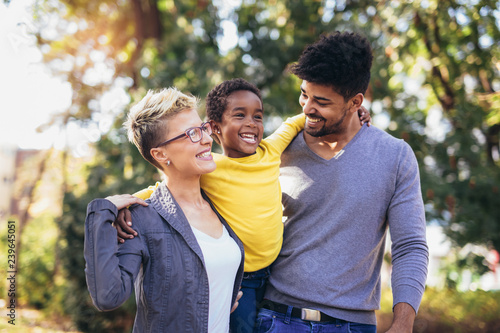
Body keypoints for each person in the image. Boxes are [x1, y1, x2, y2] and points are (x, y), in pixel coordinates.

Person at [114, 78, 372, 332]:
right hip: (241, 279)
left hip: (277, 273)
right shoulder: (209, 169)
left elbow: (297, 121)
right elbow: (163, 189)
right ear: (214, 129)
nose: (251, 123)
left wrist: (350, 111)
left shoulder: (271, 151)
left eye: (257, 116)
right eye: (240, 115)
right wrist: (123, 204)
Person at [254, 31, 429, 333]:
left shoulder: (394, 156)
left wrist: (403, 323)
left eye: (321, 101)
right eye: (304, 94)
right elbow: (225, 183)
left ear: (355, 102)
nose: (307, 107)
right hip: (275, 319)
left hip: (352, 325)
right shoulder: (279, 147)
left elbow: (410, 246)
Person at [83, 87, 245, 333]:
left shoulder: (219, 203)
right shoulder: (141, 221)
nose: (206, 138)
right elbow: (108, 296)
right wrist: (101, 214)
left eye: (203, 127)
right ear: (160, 154)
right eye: (191, 133)